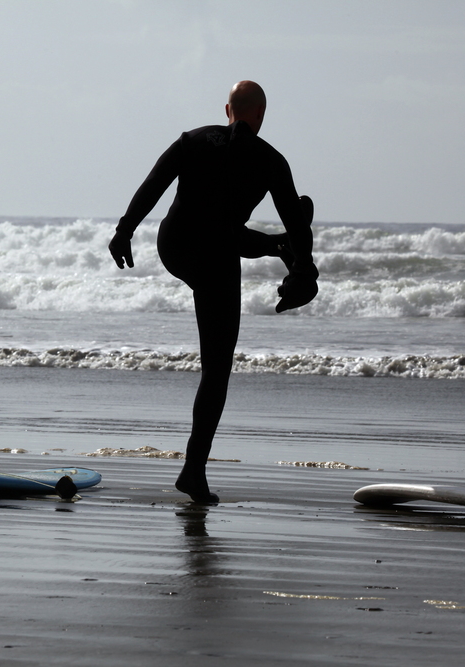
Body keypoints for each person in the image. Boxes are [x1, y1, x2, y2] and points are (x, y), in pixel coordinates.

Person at [109, 81, 318, 504]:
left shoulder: (192, 140)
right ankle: (193, 470)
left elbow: (154, 183)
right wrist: (304, 270)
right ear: (260, 115)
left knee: (224, 231)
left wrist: (124, 230)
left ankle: (276, 246)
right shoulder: (271, 160)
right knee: (216, 371)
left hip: (175, 245)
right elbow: (300, 225)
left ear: (227, 110)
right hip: (216, 255)